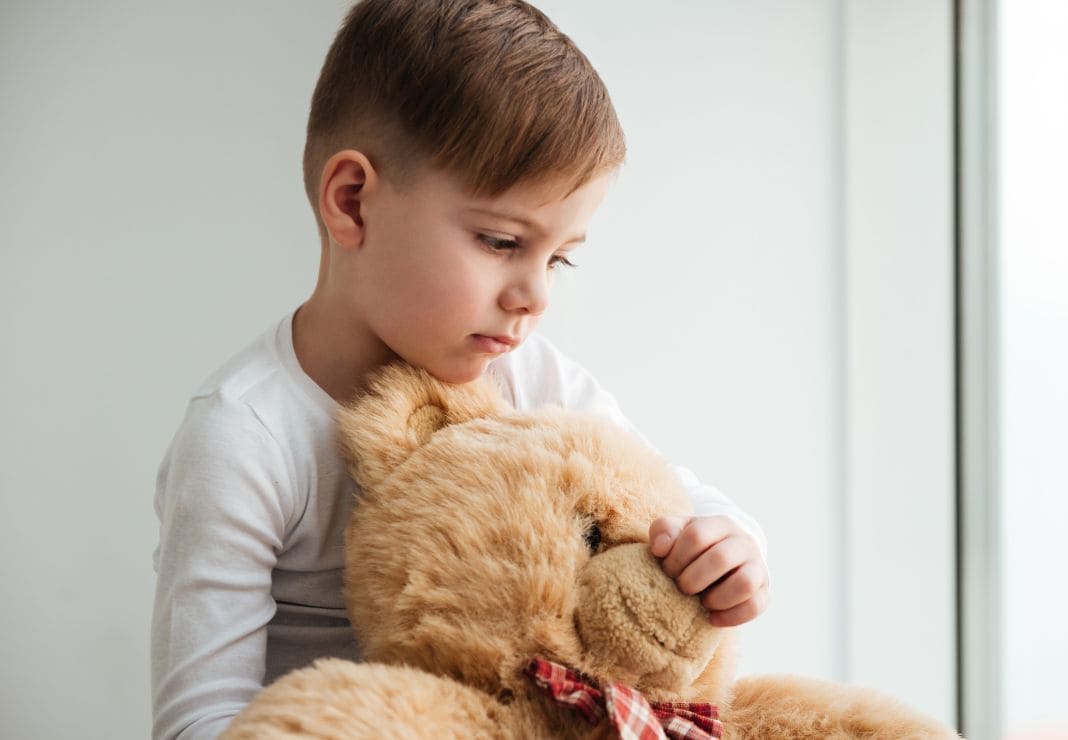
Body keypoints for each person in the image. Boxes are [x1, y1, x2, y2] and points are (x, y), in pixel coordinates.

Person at [150, 1, 770, 738]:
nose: (535, 296)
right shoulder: (245, 435)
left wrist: (728, 544)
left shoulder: (527, 378)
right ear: (352, 203)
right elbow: (199, 722)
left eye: (559, 257)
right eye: (502, 241)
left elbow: (669, 495)